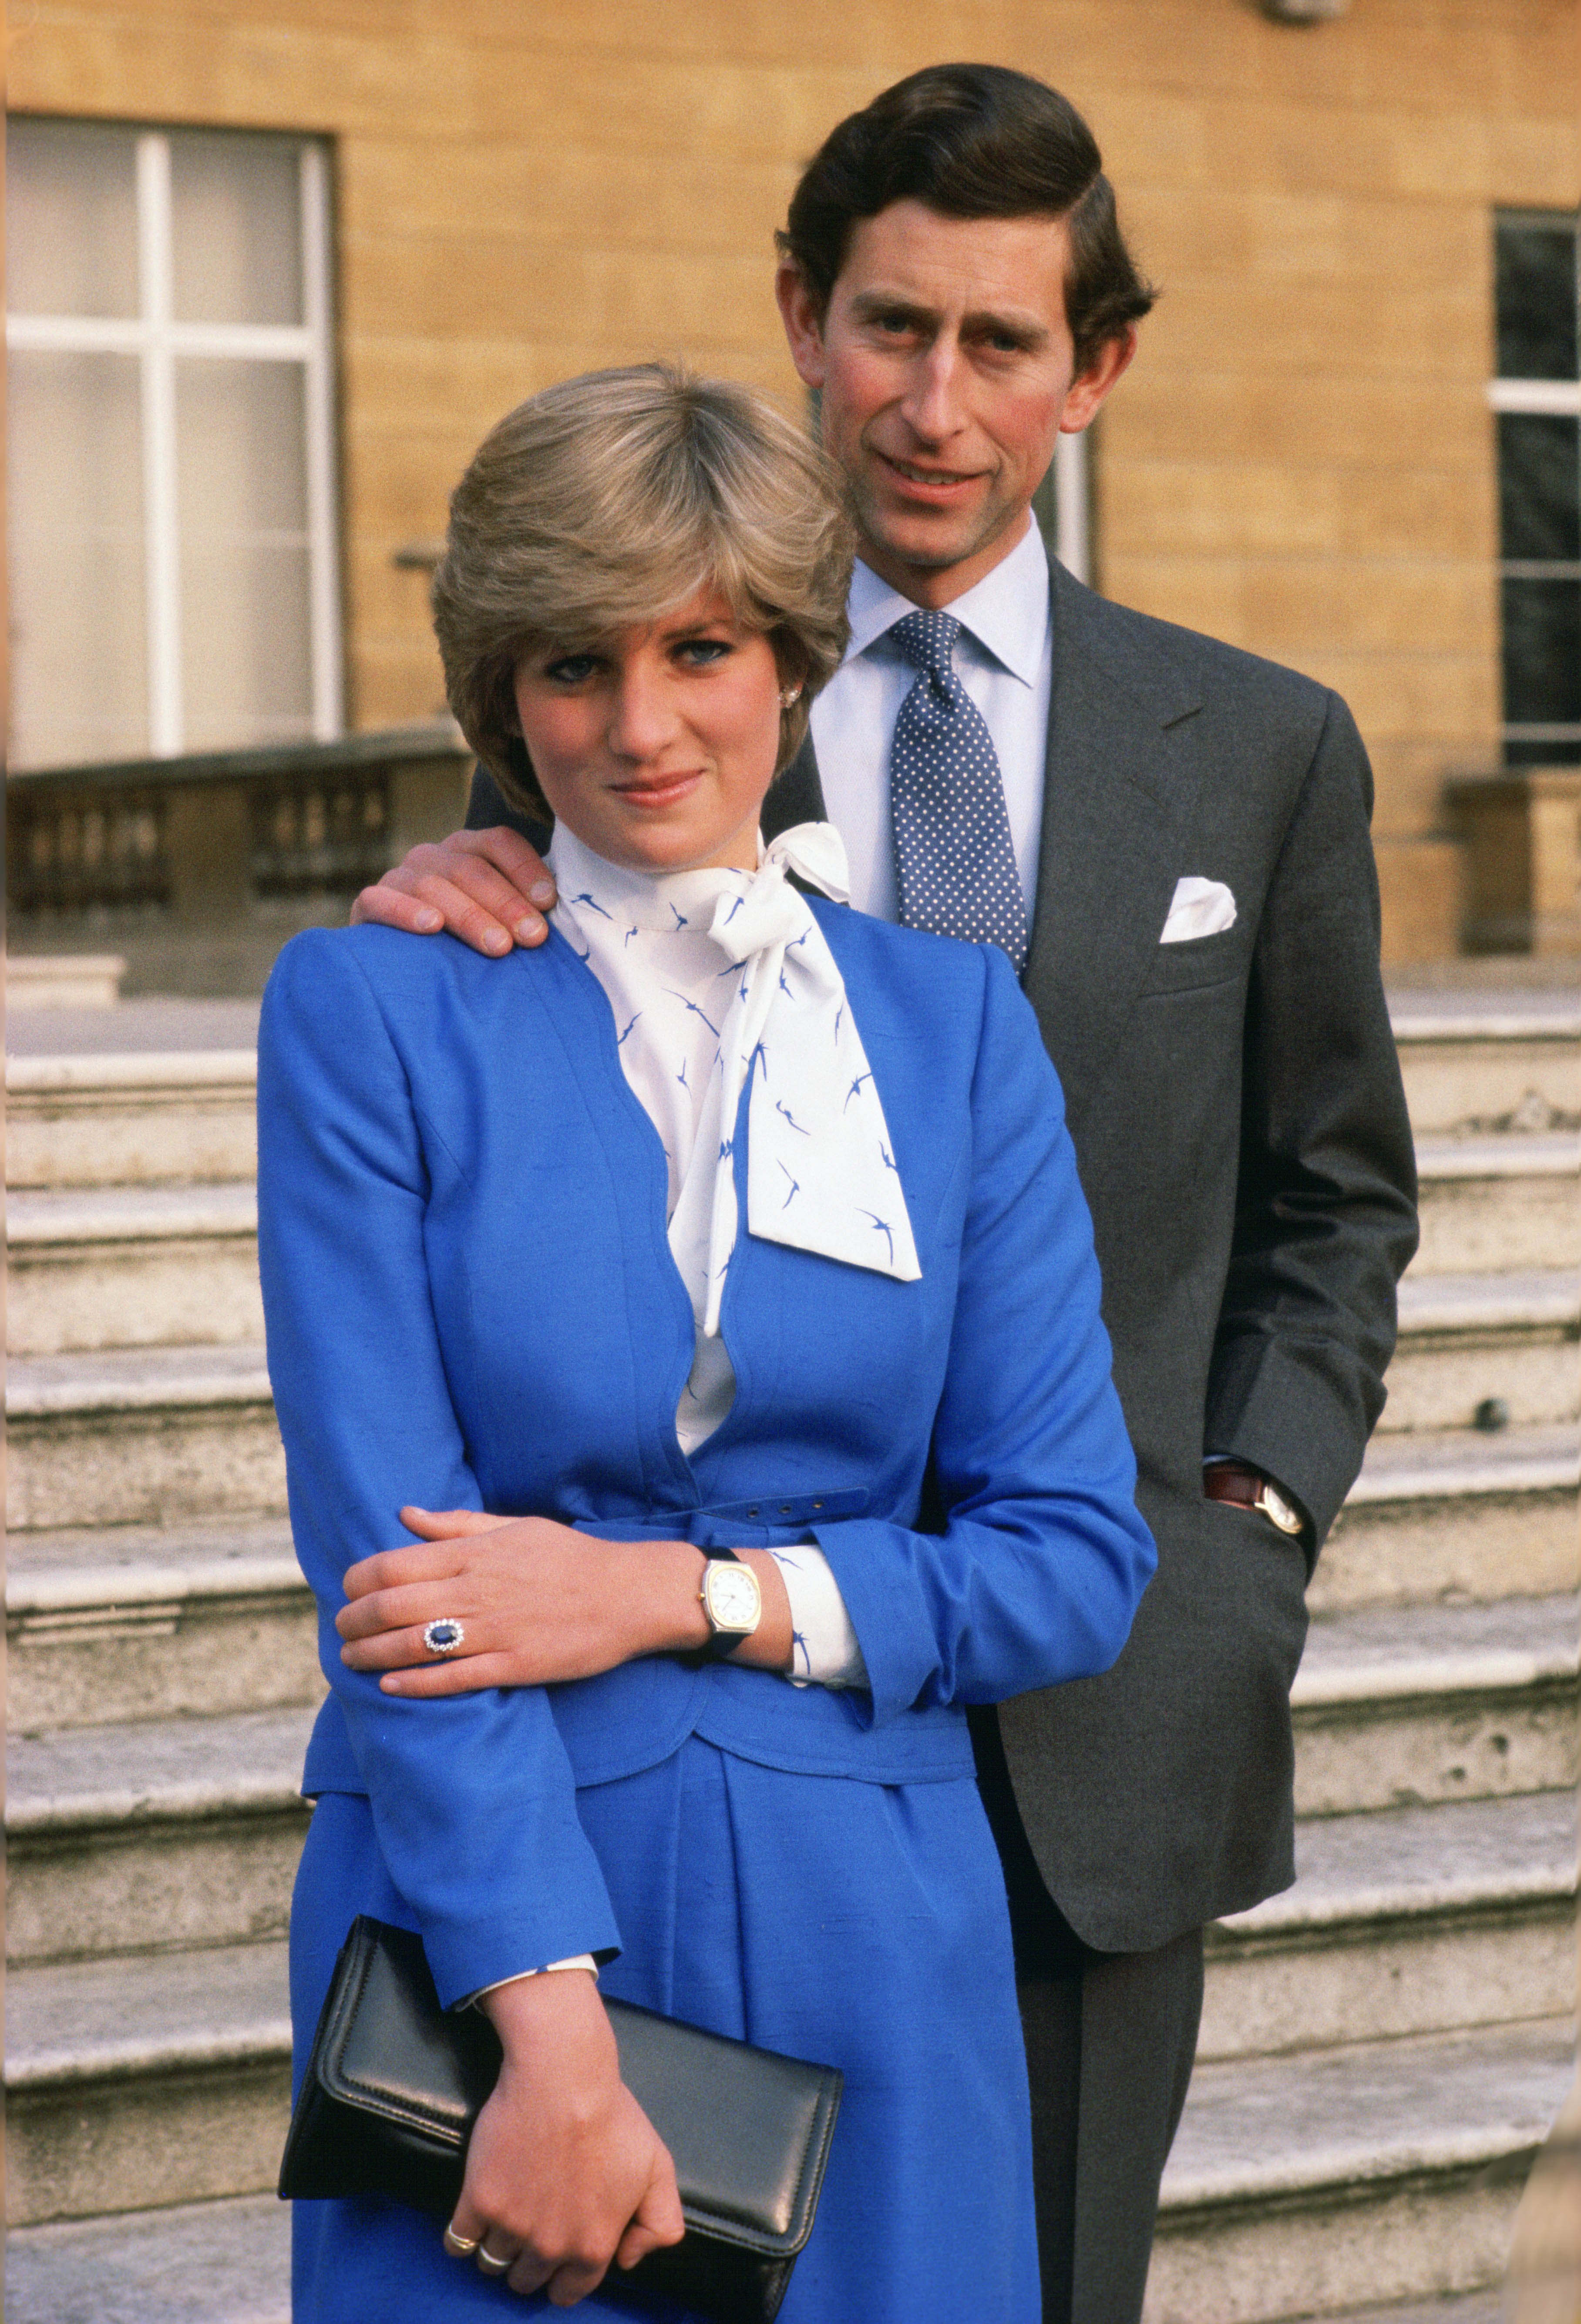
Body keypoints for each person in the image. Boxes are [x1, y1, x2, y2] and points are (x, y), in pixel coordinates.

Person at [356, 63, 1421, 2324]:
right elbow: (537, 982)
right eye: (891, 328)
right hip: (678, 1748)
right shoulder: (672, 664)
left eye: (1001, 342)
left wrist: (1257, 1517)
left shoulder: (1260, 740)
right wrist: (450, 883)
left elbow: (1341, 1192)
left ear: (1092, 370)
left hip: (1105, 1681)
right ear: (801, 320)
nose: (938, 400)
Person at [261, 362, 1156, 2322]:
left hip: (874, 1944)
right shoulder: (371, 1009)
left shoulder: (951, 1029)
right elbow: (400, 1579)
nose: (641, 725)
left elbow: (1071, 1562)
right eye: (572, 665)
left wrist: (681, 1594)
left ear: (791, 657)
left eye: (700, 649)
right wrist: (554, 2055)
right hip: (487, 1936)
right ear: (500, 693)